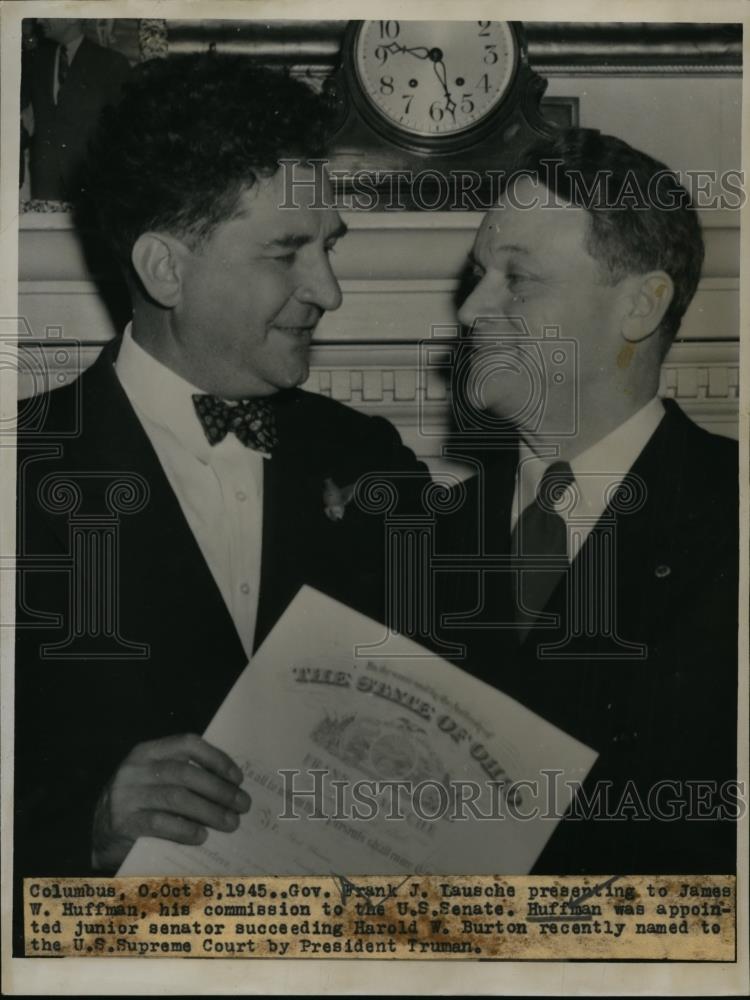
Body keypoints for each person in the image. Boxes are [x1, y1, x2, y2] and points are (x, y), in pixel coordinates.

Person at [14, 53, 427, 907]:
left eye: (330, 247)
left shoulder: (371, 459)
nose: (331, 290)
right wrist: (83, 828)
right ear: (166, 269)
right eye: (287, 251)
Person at [436, 128, 738, 874]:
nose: (473, 311)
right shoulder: (418, 534)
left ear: (640, 306)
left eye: (519, 279)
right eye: (478, 275)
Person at [22, 18, 130, 200]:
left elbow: (124, 130)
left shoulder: (111, 63)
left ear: (72, 17)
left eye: (47, 13)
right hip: (44, 185)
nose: (39, 19)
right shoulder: (34, 61)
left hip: (91, 184)